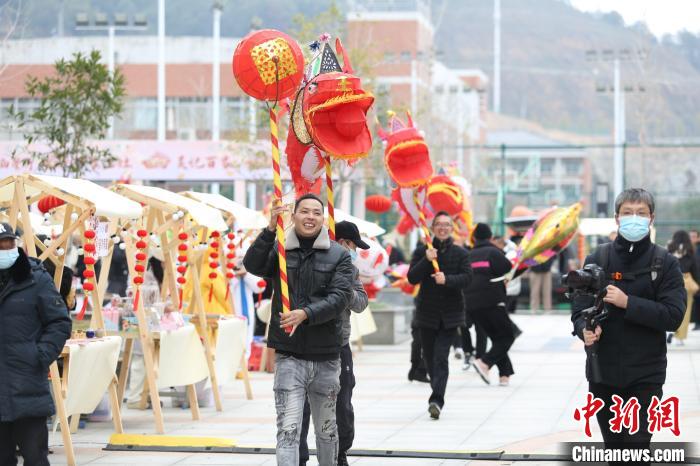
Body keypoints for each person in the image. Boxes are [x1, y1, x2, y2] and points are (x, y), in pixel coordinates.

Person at [571, 188, 685, 458]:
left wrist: (628, 302)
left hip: (645, 375)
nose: (634, 218)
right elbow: (579, 306)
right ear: (617, 218)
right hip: (603, 373)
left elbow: (673, 316)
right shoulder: (598, 258)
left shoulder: (665, 263)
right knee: (615, 452)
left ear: (651, 218)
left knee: (635, 451)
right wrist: (583, 329)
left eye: (641, 213)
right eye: (628, 213)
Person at [244, 194, 354, 466]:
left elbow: (340, 297)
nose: (310, 217)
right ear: (293, 215)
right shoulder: (280, 248)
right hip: (289, 355)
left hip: (327, 356)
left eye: (316, 212)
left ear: (323, 218)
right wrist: (269, 230)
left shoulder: (339, 254)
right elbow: (253, 265)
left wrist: (306, 314)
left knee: (327, 432)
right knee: (288, 430)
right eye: (304, 211)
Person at [0, 222, 72, 465]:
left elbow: (60, 321)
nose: (4, 248)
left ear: (15, 243)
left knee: (35, 458)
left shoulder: (36, 278)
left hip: (27, 384)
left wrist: (40, 355)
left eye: (8, 243)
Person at [299, 220, 369, 466]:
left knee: (342, 401)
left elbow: (361, 302)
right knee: (303, 405)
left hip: (340, 344)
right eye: (352, 245)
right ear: (340, 242)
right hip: (307, 344)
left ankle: (340, 453)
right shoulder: (312, 261)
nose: (355, 251)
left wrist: (344, 289)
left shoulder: (351, 269)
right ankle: (299, 456)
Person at [407, 211, 472, 420]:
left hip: (451, 314)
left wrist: (448, 280)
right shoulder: (422, 251)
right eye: (439, 225)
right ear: (432, 228)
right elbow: (412, 278)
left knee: (441, 358)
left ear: (451, 229)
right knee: (430, 357)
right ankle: (437, 390)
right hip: (427, 313)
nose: (443, 228)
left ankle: (436, 400)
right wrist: (426, 260)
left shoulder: (461, 253)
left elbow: (468, 278)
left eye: (447, 225)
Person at [466, 223, 517, 386]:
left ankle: (505, 374)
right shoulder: (492, 252)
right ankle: (484, 363)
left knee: (497, 337)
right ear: (490, 238)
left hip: (472, 305)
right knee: (508, 336)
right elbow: (507, 267)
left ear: (474, 238)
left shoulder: (469, 255)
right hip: (492, 301)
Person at [666, 230, 700, 344]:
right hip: (686, 282)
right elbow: (695, 269)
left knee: (669, 307)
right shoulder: (690, 251)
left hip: (670, 282)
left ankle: (669, 331)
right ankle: (679, 338)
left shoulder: (669, 249)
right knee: (685, 310)